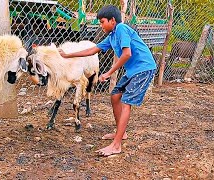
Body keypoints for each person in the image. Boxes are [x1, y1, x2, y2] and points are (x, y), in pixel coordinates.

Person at [58, 5, 156, 156]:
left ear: (112, 20)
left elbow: (127, 54)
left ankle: (116, 145)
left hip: (144, 69)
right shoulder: (111, 36)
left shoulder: (122, 28)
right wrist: (67, 55)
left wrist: (109, 72)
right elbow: (92, 50)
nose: (101, 25)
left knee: (126, 102)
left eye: (102, 21)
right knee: (115, 95)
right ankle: (120, 134)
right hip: (133, 71)